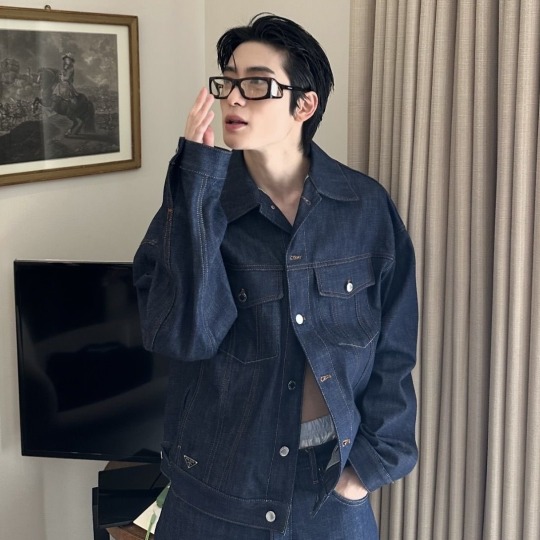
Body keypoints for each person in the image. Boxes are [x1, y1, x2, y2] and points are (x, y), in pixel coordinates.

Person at [133, 13, 418, 540]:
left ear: (304, 105)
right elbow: (183, 336)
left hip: (328, 484)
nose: (233, 98)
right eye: (228, 82)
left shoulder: (364, 207)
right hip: (215, 488)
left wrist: (367, 468)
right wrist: (196, 184)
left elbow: (394, 349)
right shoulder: (198, 201)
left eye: (257, 84)